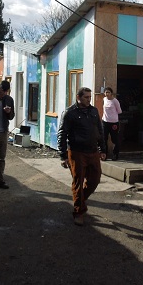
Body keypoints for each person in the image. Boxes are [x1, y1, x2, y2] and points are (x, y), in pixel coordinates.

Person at [57, 87, 106, 226]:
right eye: (86, 97)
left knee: (95, 179)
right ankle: (78, 212)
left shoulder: (93, 111)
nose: (89, 100)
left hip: (93, 151)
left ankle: (81, 201)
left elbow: (99, 130)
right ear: (78, 97)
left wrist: (103, 149)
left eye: (90, 97)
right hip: (77, 152)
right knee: (78, 182)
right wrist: (63, 155)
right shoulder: (69, 113)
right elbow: (62, 134)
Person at [101, 87, 122, 160]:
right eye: (106, 92)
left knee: (114, 139)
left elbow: (119, 111)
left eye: (108, 92)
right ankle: (104, 154)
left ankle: (115, 154)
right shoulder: (104, 99)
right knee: (104, 138)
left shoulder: (115, 101)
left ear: (111, 93)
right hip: (105, 122)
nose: (107, 94)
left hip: (114, 123)